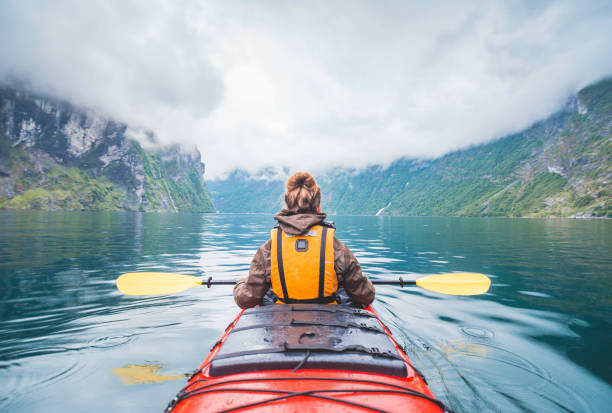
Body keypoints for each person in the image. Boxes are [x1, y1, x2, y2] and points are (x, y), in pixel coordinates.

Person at [233, 172, 375, 309]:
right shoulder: (336, 247)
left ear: (287, 207)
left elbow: (246, 300)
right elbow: (366, 296)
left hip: (283, 325)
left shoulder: (269, 248)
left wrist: (241, 282)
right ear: (318, 208)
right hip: (326, 324)